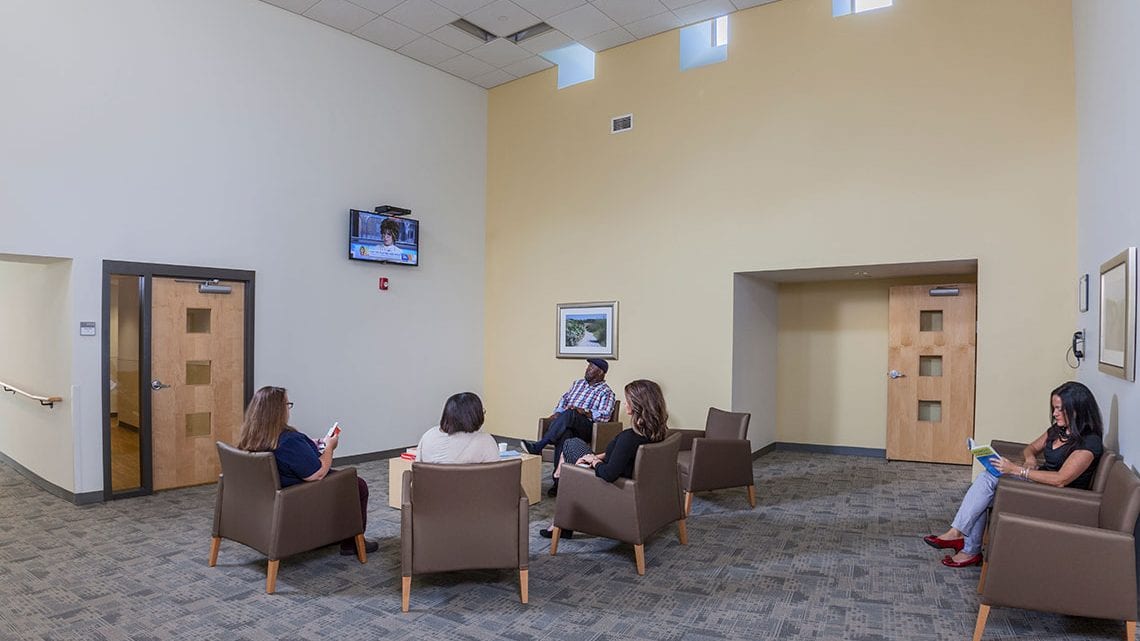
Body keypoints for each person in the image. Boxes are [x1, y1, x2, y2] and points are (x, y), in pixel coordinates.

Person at [923, 381, 1104, 567]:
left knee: (985, 486)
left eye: (1059, 409)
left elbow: (1060, 480)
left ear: (1076, 409)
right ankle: (962, 540)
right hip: (1040, 484)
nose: (1054, 414)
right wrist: (1030, 459)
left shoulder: (1089, 443)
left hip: (1057, 498)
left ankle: (965, 543)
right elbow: (1031, 448)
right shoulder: (1057, 431)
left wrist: (1017, 470)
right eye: (1053, 408)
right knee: (986, 480)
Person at [235, 386, 378, 555]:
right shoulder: (288, 441)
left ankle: (328, 535)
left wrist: (313, 444)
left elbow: (294, 454)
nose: (288, 409)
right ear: (278, 410)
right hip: (296, 497)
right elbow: (317, 473)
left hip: (270, 496)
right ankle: (352, 543)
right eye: (287, 405)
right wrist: (329, 448)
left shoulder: (253, 437)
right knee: (356, 484)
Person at [538, 378, 669, 539]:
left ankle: (562, 520)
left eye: (628, 401)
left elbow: (608, 474)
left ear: (636, 406)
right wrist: (595, 456)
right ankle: (562, 472)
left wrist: (593, 462)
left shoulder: (629, 438)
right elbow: (623, 455)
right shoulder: (656, 433)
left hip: (611, 485)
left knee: (570, 450)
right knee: (571, 443)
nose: (625, 405)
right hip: (627, 476)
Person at [522, 358, 616, 495]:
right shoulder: (577, 384)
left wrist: (584, 412)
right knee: (565, 434)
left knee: (571, 413)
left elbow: (605, 416)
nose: (587, 369)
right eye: (588, 366)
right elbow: (564, 400)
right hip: (569, 423)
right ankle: (558, 483)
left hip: (588, 428)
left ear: (601, 372)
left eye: (592, 367)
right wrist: (556, 414)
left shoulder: (606, 392)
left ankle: (539, 445)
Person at [416, 392, 500, 464]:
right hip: (471, 483)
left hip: (433, 483)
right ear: (474, 416)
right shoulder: (486, 441)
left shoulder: (428, 436)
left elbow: (417, 469)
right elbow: (495, 475)